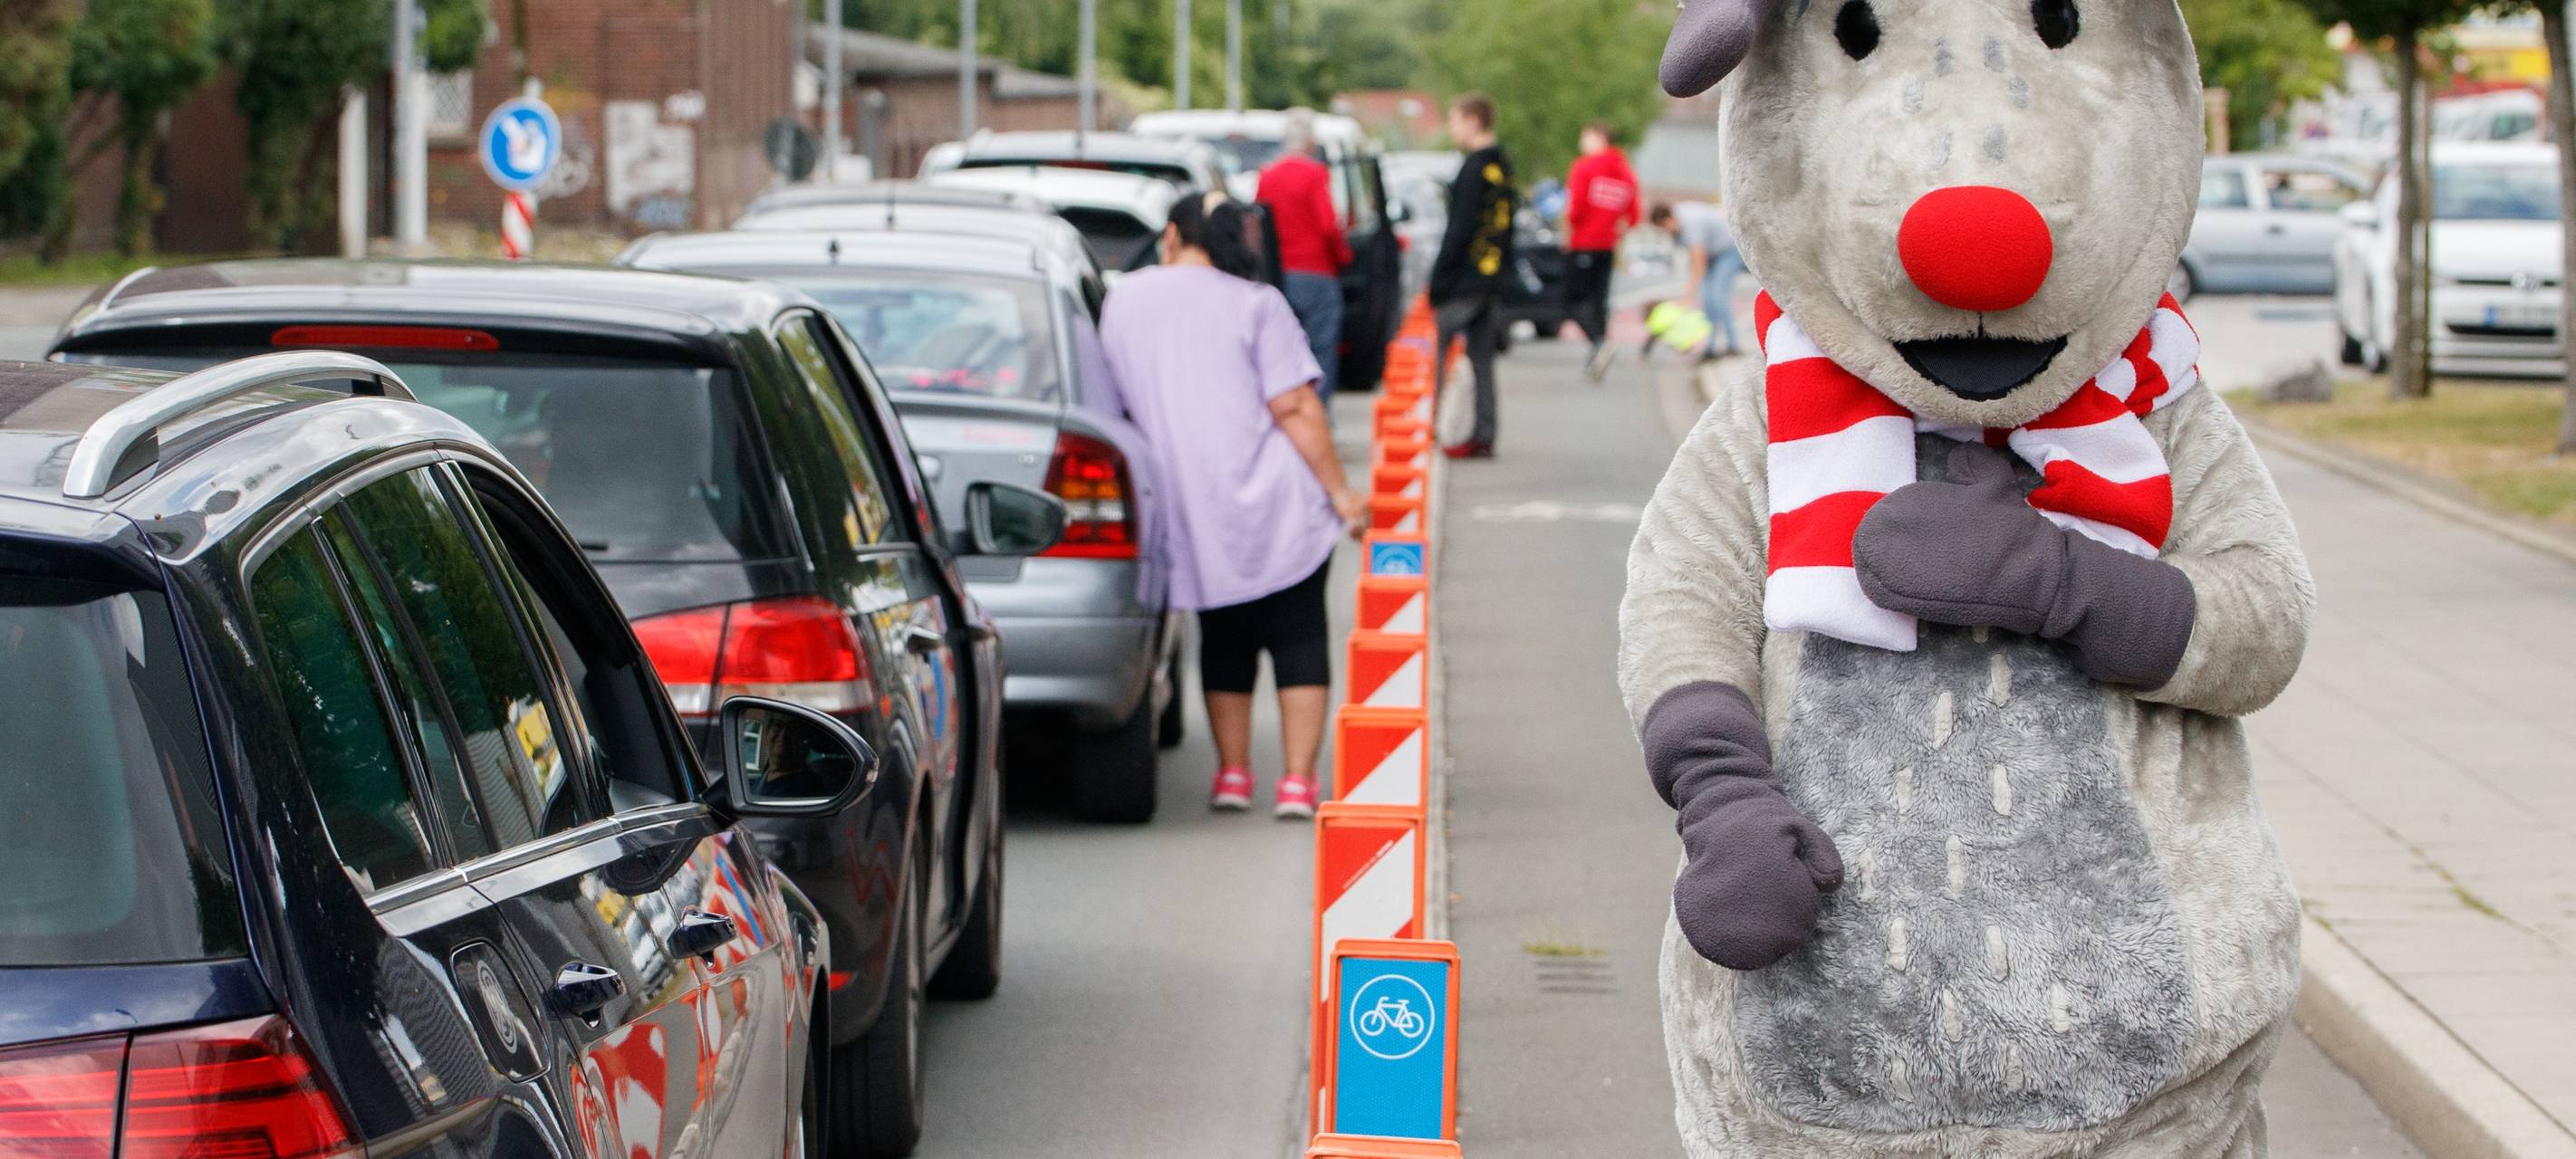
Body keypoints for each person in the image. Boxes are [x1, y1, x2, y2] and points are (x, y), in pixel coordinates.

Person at [1097, 191, 1368, 819]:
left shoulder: (1124, 299)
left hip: (1189, 509)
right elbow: (1295, 407)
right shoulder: (1256, 303)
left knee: (1224, 636)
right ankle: (1297, 783)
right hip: (1277, 500)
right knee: (1299, 634)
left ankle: (1233, 776)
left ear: (1171, 235)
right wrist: (1341, 494)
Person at [1430, 92, 1518, 459]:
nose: (1452, 128)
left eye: (1454, 120)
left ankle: (1442, 428)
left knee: (1440, 352)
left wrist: (1438, 280)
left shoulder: (1472, 169)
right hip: (1492, 277)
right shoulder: (1502, 167)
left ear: (1472, 120)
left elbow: (1460, 229)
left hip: (1464, 278)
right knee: (1482, 359)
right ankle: (1484, 433)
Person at [1255, 108, 1355, 404]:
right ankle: (1317, 414)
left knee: (1281, 348)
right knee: (1322, 348)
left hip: (1278, 275)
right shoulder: (1315, 173)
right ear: (1310, 141)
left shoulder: (1267, 175)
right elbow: (1328, 225)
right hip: (1317, 273)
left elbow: (1258, 224)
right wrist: (1343, 256)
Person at [1563, 121, 1641, 381]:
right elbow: (1633, 215)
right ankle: (1596, 356)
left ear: (1599, 138)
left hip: (1584, 243)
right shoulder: (1626, 172)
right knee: (1599, 302)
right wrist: (1615, 229)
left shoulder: (1584, 167)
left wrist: (1570, 231)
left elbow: (1576, 209)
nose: (1581, 144)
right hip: (1608, 247)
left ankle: (1599, 342)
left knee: (1572, 301)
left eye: (1585, 137)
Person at [1648, 198, 1742, 359]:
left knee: (1718, 297)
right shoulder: (1677, 225)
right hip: (1712, 254)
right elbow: (1694, 260)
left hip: (1728, 250)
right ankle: (1710, 347)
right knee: (1707, 299)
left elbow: (1699, 263)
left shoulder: (1691, 225)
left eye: (1664, 227)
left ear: (1669, 219)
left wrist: (1688, 296)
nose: (1665, 232)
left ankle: (1733, 345)